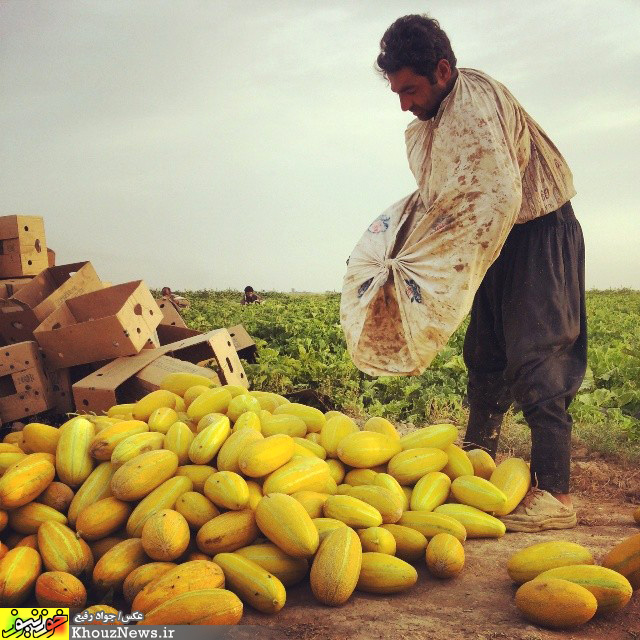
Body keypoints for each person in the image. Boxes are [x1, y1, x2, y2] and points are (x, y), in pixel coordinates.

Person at [375, 14, 586, 532]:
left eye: (410, 89)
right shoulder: (436, 120)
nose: (403, 102)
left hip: (537, 232)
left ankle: (556, 493)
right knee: (486, 356)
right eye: (397, 92)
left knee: (537, 355)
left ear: (443, 70)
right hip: (493, 240)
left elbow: (497, 193)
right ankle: (478, 464)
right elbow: (450, 202)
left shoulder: (473, 105)